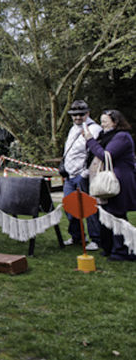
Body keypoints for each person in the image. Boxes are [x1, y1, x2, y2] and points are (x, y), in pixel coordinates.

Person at [83, 109, 136, 261]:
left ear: (116, 122)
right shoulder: (107, 137)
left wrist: (89, 139)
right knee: (107, 214)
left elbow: (106, 155)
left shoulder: (122, 137)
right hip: (110, 179)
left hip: (120, 181)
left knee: (117, 215)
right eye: (101, 121)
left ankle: (122, 250)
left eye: (105, 121)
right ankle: (110, 247)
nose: (102, 124)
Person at [62, 100, 102, 250]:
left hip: (83, 174)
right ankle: (77, 236)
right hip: (70, 175)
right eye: (74, 115)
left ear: (87, 113)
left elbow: (94, 152)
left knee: (89, 208)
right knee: (69, 206)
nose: (77, 117)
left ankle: (96, 238)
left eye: (80, 114)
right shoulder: (73, 129)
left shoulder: (95, 129)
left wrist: (85, 173)